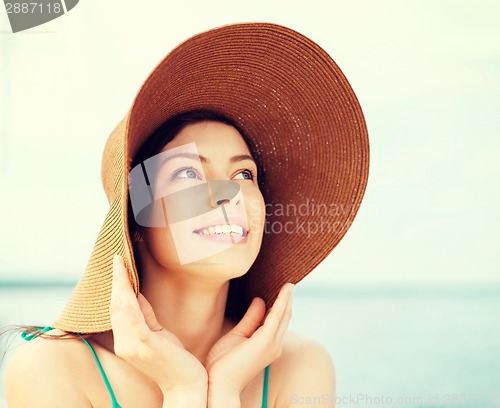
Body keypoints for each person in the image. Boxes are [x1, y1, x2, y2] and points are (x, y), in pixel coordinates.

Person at [3, 22, 369, 407]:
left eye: (243, 174)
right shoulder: (52, 368)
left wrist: (225, 389)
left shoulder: (299, 368)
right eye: (188, 173)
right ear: (136, 218)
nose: (228, 195)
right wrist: (184, 391)